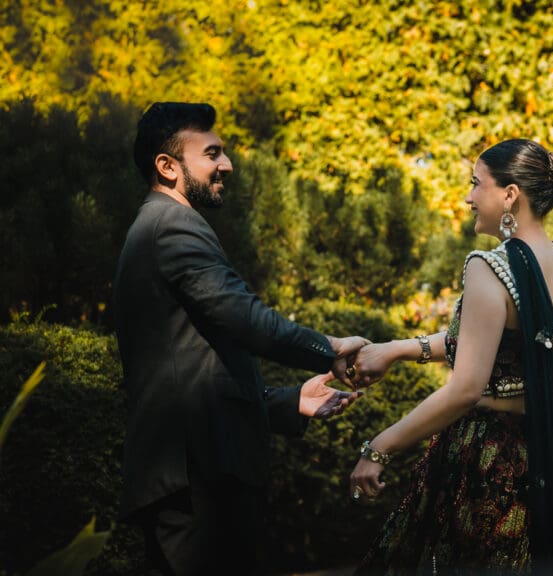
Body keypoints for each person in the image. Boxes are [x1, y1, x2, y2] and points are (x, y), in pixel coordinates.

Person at [347, 139, 553, 574]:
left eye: (477, 184)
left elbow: (465, 388)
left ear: (509, 194)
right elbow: (494, 342)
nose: (468, 197)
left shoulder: (489, 265)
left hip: (490, 460)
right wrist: (398, 350)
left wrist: (380, 447)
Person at [113, 102, 368, 575]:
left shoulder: (163, 225)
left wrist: (290, 403)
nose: (226, 165)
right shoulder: (171, 225)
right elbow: (243, 319)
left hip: (199, 476)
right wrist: (328, 348)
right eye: (212, 153)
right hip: (194, 482)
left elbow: (194, 368)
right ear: (167, 167)